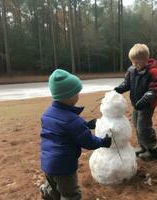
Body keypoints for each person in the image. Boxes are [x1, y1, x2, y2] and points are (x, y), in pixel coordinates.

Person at [40, 69, 112, 200]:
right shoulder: (73, 121)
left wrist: (86, 125)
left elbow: (62, 128)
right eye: (77, 93)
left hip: (47, 162)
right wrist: (103, 142)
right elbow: (88, 141)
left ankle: (47, 192)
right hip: (64, 166)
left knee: (54, 188)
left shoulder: (47, 113)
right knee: (70, 194)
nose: (78, 95)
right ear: (69, 96)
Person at [114, 43, 157, 160]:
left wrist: (145, 100)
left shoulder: (153, 72)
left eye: (137, 62)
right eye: (132, 62)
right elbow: (127, 83)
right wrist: (118, 90)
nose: (134, 65)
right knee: (136, 124)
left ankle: (153, 149)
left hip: (147, 105)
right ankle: (143, 146)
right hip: (136, 104)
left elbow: (155, 89)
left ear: (146, 60)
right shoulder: (132, 71)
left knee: (143, 126)